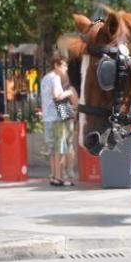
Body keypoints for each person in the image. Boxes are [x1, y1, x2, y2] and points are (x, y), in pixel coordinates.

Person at [39, 56, 74, 187]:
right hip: (57, 118)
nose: (66, 68)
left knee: (52, 150)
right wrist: (69, 93)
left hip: (47, 117)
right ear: (56, 65)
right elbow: (57, 96)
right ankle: (59, 177)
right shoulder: (55, 78)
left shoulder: (45, 78)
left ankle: (54, 176)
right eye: (64, 65)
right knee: (59, 149)